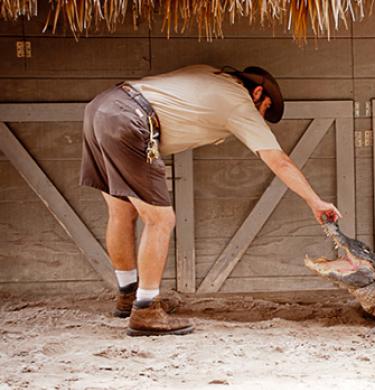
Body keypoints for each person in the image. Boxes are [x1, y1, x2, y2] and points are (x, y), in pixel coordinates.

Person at [80, 64, 341, 337]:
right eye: (263, 110)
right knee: (161, 220)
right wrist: (315, 201)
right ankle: (145, 310)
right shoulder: (239, 103)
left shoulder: (210, 73)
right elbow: (280, 162)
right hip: (130, 119)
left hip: (101, 108)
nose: (258, 120)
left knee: (122, 212)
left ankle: (128, 297)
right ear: (257, 93)